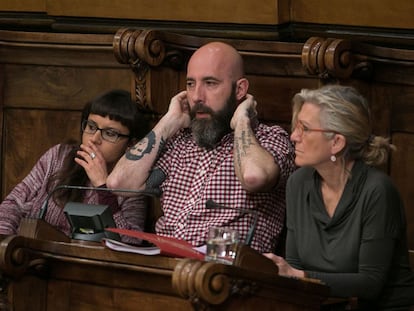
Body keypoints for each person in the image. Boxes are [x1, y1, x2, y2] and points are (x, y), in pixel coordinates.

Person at [107, 41, 296, 253]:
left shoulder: (270, 139)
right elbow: (119, 183)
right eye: (190, 84)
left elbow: (254, 178)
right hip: (164, 263)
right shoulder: (179, 142)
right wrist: (168, 122)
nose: (197, 96)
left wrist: (242, 121)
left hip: (227, 270)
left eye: (210, 83)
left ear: (240, 89)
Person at [264, 84, 414, 310]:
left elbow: (370, 283)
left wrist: (296, 274)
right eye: (296, 127)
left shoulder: (377, 190)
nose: (294, 136)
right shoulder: (297, 183)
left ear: (337, 142)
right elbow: (294, 266)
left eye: (304, 128)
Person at [0, 89, 151, 244]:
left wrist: (103, 186)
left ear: (131, 144)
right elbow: (13, 204)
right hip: (31, 256)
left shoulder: (133, 184)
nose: (94, 139)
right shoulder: (59, 156)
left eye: (110, 133)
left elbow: (131, 241)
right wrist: (6, 246)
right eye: (91, 127)